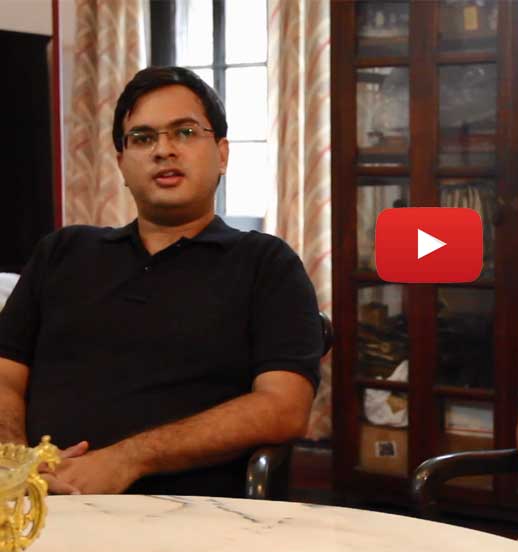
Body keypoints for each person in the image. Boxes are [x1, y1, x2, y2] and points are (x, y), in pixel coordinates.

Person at [0, 67, 323, 498]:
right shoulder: (62, 252)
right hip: (35, 504)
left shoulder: (266, 264)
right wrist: (18, 461)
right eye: (143, 138)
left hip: (188, 512)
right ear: (121, 163)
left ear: (222, 154)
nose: (163, 150)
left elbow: (283, 407)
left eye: (185, 132)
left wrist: (127, 459)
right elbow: (4, 376)